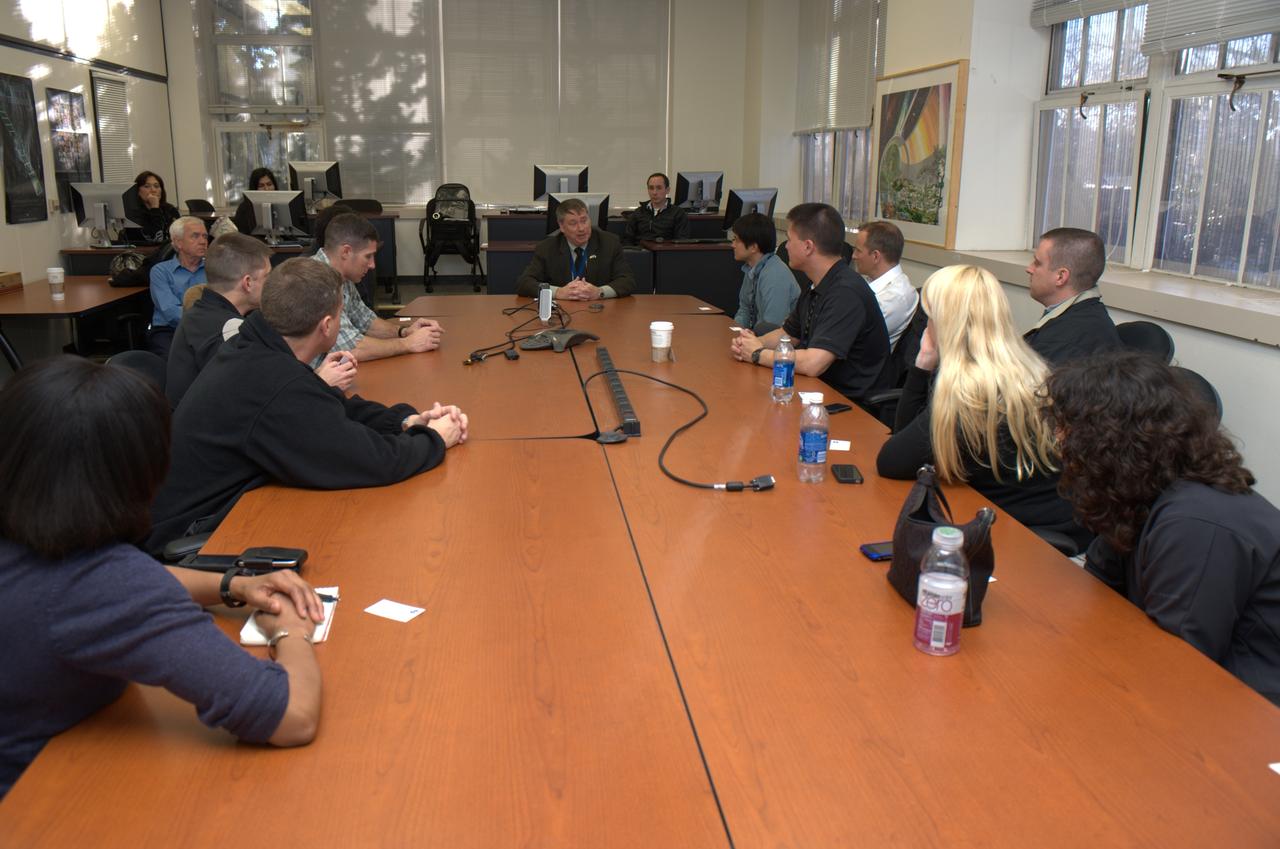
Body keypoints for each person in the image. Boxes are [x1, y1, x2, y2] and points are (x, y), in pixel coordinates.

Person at [0, 356, 324, 800]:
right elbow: (291, 716)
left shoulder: (39, 540)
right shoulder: (101, 581)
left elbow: (115, 590)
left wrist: (231, 584)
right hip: (38, 802)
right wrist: (292, 631)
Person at [148, 258, 469, 551]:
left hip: (206, 508)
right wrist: (436, 438)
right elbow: (375, 461)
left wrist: (406, 421)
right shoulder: (274, 382)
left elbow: (326, 404)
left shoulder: (257, 347)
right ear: (327, 326)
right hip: (192, 537)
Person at [1044, 352, 1280, 706]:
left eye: (1069, 428)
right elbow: (1097, 587)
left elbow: (1177, 666)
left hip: (1250, 708)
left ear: (1111, 439)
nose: (1060, 441)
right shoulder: (1138, 490)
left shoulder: (1195, 522)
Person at [876, 264, 1088, 549]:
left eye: (929, 317)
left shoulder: (972, 393)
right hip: (1058, 523)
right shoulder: (1027, 367)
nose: (926, 326)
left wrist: (923, 361)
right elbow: (908, 445)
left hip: (1027, 541)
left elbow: (893, 461)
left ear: (945, 323)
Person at [730, 203, 891, 406]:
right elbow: (788, 335)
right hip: (818, 391)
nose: (785, 246)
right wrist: (752, 343)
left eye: (789, 240)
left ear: (808, 246)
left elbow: (814, 362)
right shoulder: (818, 283)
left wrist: (757, 354)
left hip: (851, 406)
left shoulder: (846, 292)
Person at [313, 212, 444, 365]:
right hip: (311, 381)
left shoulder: (341, 276)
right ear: (346, 252)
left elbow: (366, 321)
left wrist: (404, 332)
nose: (372, 265)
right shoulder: (316, 282)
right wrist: (408, 343)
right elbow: (350, 348)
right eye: (368, 256)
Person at [1023, 227, 1122, 364]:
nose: (1029, 269)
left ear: (1060, 276)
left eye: (1037, 263)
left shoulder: (1066, 341)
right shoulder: (1086, 314)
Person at [516, 198, 635, 300]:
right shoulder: (547, 248)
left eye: (584, 220)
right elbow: (524, 283)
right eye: (573, 223)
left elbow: (627, 281)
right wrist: (558, 292)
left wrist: (599, 292)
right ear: (562, 226)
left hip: (599, 311)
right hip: (563, 312)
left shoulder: (609, 243)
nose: (581, 228)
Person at [851, 220, 919, 348]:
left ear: (876, 256)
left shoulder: (894, 298)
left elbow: (847, 336)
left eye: (858, 251)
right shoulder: (871, 281)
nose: (854, 256)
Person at [149, 216, 209, 358]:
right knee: (178, 360)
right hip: (170, 330)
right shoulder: (161, 271)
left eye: (205, 236)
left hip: (207, 328)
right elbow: (171, 312)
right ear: (178, 242)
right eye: (195, 236)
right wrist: (206, 318)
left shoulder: (213, 269)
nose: (203, 241)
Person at [730, 212, 798, 335]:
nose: (732, 245)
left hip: (776, 345)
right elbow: (744, 310)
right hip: (757, 339)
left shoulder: (775, 275)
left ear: (753, 247)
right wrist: (735, 334)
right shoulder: (751, 268)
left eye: (736, 240)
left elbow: (772, 327)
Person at [624, 172, 690, 244]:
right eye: (651, 188)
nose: (654, 192)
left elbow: (682, 241)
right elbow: (628, 240)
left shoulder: (677, 213)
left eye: (659, 188)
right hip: (641, 252)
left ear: (667, 190)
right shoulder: (639, 212)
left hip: (666, 252)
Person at [124, 170, 180, 244]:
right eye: (147, 186)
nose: (153, 190)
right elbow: (155, 239)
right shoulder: (133, 214)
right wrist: (154, 208)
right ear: (137, 191)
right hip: (143, 252)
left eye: (156, 186)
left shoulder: (170, 210)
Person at [232, 167, 281, 234]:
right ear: (254, 188)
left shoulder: (282, 204)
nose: (266, 189)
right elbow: (242, 235)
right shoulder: (244, 208)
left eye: (269, 184)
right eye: (261, 186)